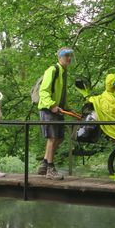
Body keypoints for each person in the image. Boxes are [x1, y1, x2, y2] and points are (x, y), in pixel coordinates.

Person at [37, 48, 73, 180]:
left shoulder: (64, 72)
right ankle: (50, 169)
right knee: (53, 138)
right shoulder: (53, 70)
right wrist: (51, 105)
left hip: (58, 109)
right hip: (48, 108)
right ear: (59, 58)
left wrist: (69, 108)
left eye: (70, 56)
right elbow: (43, 91)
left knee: (59, 138)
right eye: (66, 56)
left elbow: (62, 94)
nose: (69, 58)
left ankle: (45, 164)